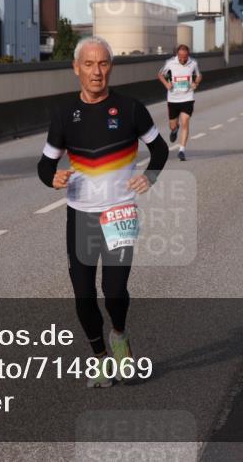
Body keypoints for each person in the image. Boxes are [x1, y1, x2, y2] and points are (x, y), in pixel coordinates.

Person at [38, 36, 169, 388]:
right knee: (83, 295)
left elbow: (159, 149)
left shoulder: (130, 109)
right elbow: (44, 165)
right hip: (80, 215)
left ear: (110, 67)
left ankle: (120, 336)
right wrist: (53, 177)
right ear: (76, 69)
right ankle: (99, 359)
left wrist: (150, 177)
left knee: (113, 291)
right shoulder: (64, 114)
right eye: (89, 64)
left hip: (119, 212)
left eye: (103, 64)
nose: (97, 72)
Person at [159, 44, 202, 161]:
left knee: (185, 122)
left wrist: (195, 83)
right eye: (180, 56)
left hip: (187, 97)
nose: (183, 59)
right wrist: (167, 84)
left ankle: (182, 150)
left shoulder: (193, 63)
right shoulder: (170, 63)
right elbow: (160, 75)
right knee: (173, 124)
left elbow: (198, 76)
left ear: (188, 55)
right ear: (177, 55)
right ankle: (174, 130)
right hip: (173, 98)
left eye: (185, 56)